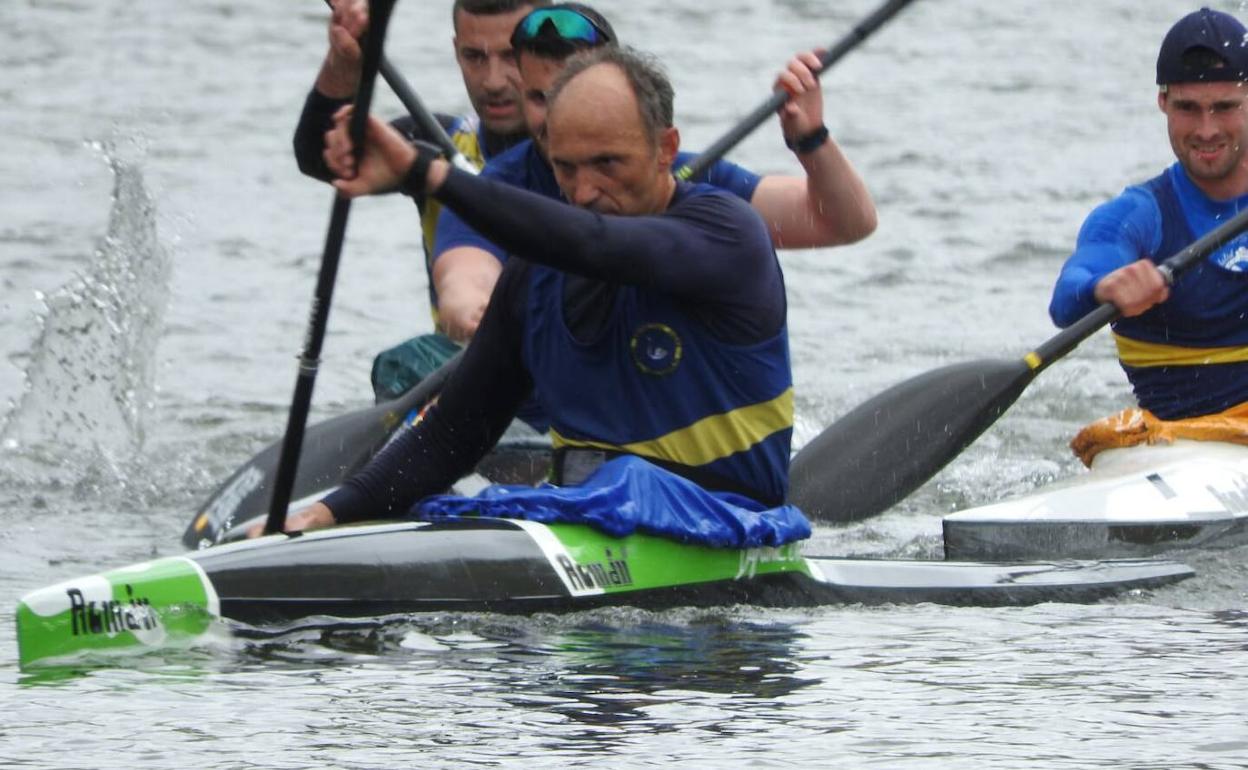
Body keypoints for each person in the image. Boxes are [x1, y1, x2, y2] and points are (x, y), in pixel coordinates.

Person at [263, 46, 809, 547]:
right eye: (565, 168)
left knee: (627, 482)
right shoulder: (532, 278)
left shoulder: (726, 234)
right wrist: (330, 513)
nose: (585, 190)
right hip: (580, 520)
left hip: (729, 523)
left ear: (666, 147)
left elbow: (597, 245)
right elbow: (452, 433)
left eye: (608, 164)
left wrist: (428, 174)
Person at [432, 3, 878, 344]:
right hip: (533, 413)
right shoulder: (495, 186)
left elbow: (844, 222)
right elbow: (465, 278)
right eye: (539, 99)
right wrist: (471, 308)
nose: (558, 118)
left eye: (571, 96)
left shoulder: (685, 174)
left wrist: (811, 140)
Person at [292, 0, 548, 400]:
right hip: (476, 378)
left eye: (510, 57)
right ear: (455, 50)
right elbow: (319, 157)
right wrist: (345, 64)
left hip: (580, 384)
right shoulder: (433, 148)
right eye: (474, 57)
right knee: (406, 363)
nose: (493, 81)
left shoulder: (597, 158)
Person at [1050, 8, 1248, 461]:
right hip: (1183, 454)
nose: (1206, 129)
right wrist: (1104, 286)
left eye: (1224, 107)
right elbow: (1067, 295)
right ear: (1163, 103)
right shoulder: (1138, 216)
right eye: (1187, 108)